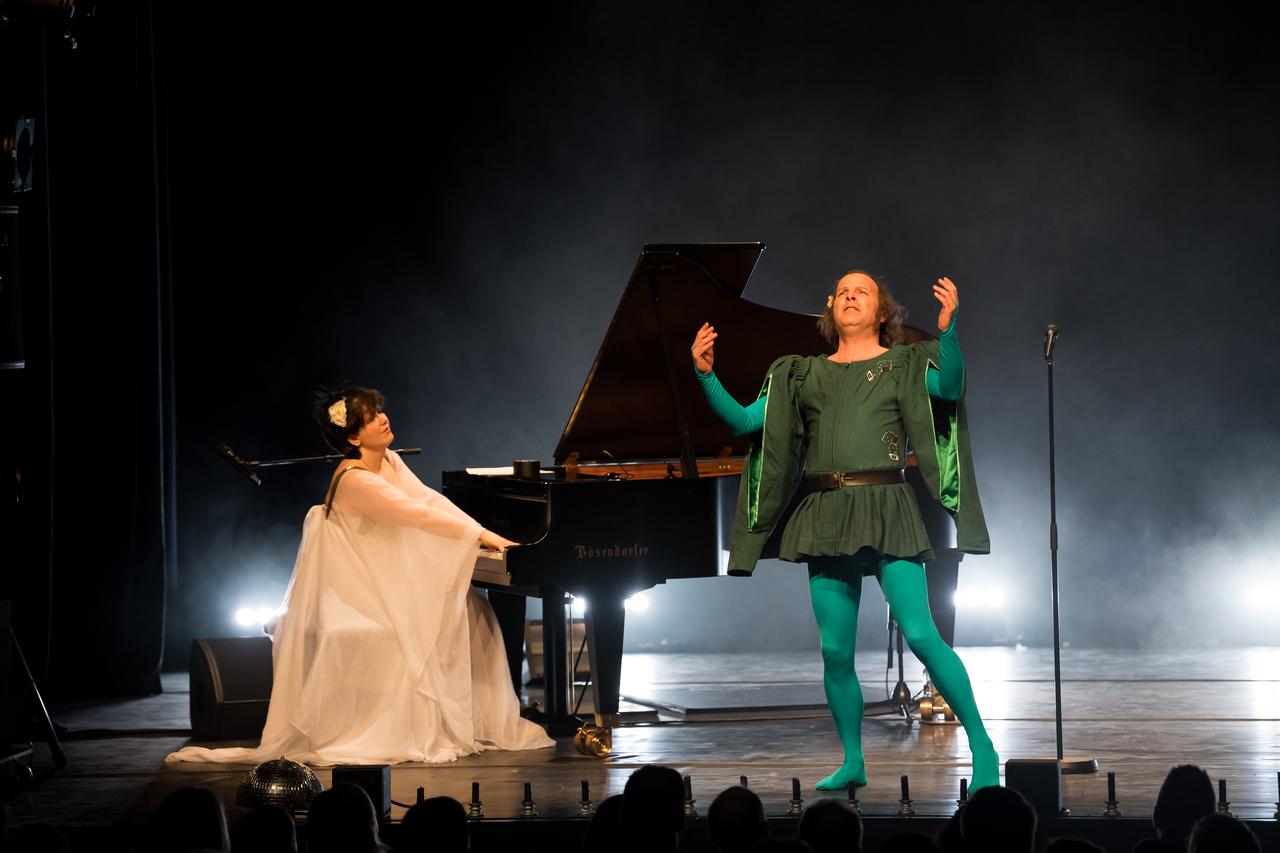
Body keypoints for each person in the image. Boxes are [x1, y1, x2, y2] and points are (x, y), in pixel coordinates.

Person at [691, 272, 996, 791]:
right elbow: (745, 422)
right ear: (831, 310)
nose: (851, 295)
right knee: (835, 651)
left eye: (864, 290)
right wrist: (705, 376)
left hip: (887, 507)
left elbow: (949, 386)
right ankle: (853, 759)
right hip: (826, 516)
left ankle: (984, 749)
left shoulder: (902, 363)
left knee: (922, 634)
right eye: (842, 291)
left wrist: (948, 332)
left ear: (882, 313)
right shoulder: (800, 375)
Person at [168, 388, 553, 765]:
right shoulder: (355, 480)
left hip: (383, 579)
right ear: (353, 437)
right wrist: (480, 536)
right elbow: (415, 514)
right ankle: (424, 725)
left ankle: (469, 722)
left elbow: (430, 501)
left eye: (379, 412)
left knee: (473, 609)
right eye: (371, 418)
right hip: (359, 590)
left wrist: (479, 533)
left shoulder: (389, 462)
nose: (383, 419)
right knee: (443, 617)